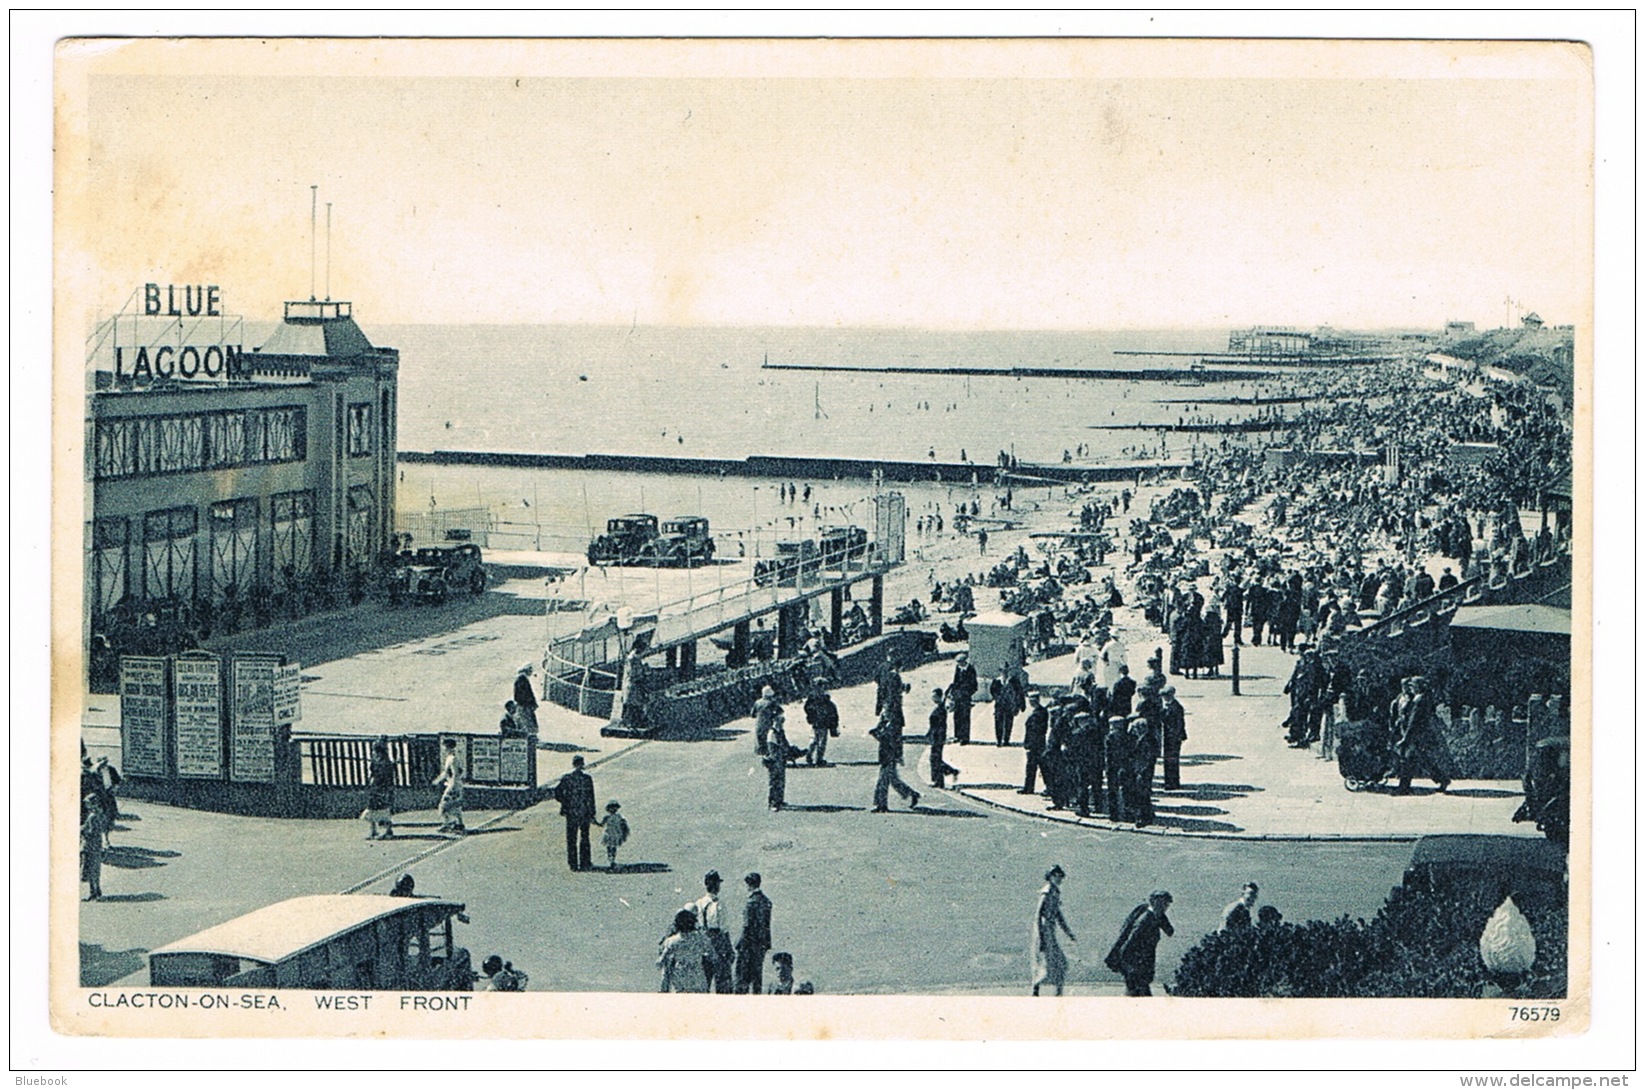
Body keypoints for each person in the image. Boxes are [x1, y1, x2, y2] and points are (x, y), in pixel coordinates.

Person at [1105, 890, 1175, 996]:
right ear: (1156, 903)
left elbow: (1170, 931)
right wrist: (1128, 966)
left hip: (1142, 967)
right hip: (1136, 967)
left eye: (1167, 904)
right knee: (1140, 998)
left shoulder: (1155, 915)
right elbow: (1129, 943)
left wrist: (1161, 917)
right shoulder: (1145, 920)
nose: (1166, 907)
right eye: (1164, 904)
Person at [1392, 675, 1452, 795]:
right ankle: (1442, 779)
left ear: (1419, 686)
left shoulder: (1419, 700)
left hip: (1416, 735)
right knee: (1423, 759)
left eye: (1413, 686)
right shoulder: (1422, 698)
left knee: (1408, 760)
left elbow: (1413, 721)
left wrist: (1406, 738)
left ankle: (1404, 787)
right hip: (1420, 735)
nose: (1411, 688)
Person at [1030, 865, 1077, 996]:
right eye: (1056, 876)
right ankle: (1037, 988)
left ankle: (1055, 992)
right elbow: (1038, 915)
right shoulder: (1046, 892)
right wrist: (1041, 938)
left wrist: (1068, 932)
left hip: (1050, 932)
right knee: (1053, 965)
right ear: (1050, 877)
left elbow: (1058, 915)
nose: (1059, 879)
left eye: (1060, 876)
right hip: (1045, 932)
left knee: (1060, 964)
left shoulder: (1055, 892)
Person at [871, 705, 921, 812]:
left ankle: (881, 805)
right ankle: (912, 794)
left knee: (882, 781)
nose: (883, 715)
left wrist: (898, 756)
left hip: (890, 757)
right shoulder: (884, 725)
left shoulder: (893, 727)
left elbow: (891, 741)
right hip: (885, 756)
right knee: (893, 780)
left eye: (885, 713)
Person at [694, 871, 736, 993]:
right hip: (718, 943)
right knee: (722, 981)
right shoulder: (719, 905)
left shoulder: (699, 903)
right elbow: (724, 929)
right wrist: (729, 949)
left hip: (703, 942)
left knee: (704, 981)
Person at [556, 754, 597, 871]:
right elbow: (591, 797)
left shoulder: (567, 778)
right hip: (584, 812)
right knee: (584, 837)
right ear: (582, 764)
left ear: (573, 764)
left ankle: (573, 864)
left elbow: (557, 793)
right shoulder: (587, 779)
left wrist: (565, 803)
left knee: (571, 838)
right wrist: (592, 813)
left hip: (571, 812)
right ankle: (585, 862)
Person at [658, 909, 714, 993]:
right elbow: (713, 955)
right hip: (697, 977)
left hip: (680, 979)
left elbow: (660, 962)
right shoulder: (701, 939)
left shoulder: (671, 941)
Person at [735, 873, 772, 994]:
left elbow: (747, 926)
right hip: (762, 943)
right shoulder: (766, 901)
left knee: (743, 975)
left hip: (749, 944)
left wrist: (740, 943)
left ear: (749, 885)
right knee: (757, 975)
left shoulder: (750, 902)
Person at [927, 688, 961, 789]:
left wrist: (939, 737)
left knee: (935, 759)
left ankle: (940, 780)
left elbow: (941, 725)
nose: (932, 698)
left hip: (938, 737)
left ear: (939, 696)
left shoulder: (941, 709)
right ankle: (947, 774)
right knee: (935, 759)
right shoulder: (939, 707)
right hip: (934, 736)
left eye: (934, 696)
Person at [364, 736, 396, 840]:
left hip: (382, 787)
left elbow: (388, 777)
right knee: (372, 808)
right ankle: (373, 831)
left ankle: (388, 831)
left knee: (383, 809)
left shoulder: (385, 763)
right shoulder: (377, 761)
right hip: (375, 786)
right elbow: (372, 773)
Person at [432, 738, 466, 836]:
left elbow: (455, 773)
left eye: (445, 747)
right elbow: (446, 772)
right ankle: (459, 824)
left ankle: (448, 824)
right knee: (455, 806)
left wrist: (452, 785)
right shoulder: (452, 758)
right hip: (456, 784)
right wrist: (437, 780)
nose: (444, 749)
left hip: (453, 785)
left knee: (443, 806)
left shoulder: (453, 759)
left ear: (448, 747)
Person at [802, 681, 840, 767]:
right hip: (821, 722)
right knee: (820, 742)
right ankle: (818, 759)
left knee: (815, 741)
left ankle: (810, 756)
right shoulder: (823, 700)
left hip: (818, 722)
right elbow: (832, 711)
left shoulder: (813, 699)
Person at [1020, 690, 1049, 795]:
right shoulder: (1038, 711)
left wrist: (1029, 743)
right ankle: (1028, 787)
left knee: (1040, 767)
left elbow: (1036, 730)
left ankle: (1047, 788)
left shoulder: (1039, 713)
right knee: (1033, 767)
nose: (1030, 702)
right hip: (1036, 743)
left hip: (1036, 743)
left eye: (1032, 700)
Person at [762, 703, 790, 812]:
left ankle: (779, 800)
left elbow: (785, 745)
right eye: (779, 720)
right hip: (775, 761)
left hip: (780, 760)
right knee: (774, 782)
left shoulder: (780, 732)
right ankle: (773, 802)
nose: (782, 722)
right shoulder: (772, 734)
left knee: (781, 781)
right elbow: (773, 749)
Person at [1158, 686, 1187, 791]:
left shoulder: (1176, 707)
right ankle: (1170, 781)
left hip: (1173, 737)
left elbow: (1179, 723)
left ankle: (1172, 783)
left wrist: (1177, 736)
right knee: (1168, 759)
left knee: (1172, 759)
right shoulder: (1168, 706)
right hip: (1169, 736)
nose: (1164, 698)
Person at [948, 651, 978, 745]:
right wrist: (953, 692)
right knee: (957, 716)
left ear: (964, 661)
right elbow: (955, 681)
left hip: (965, 697)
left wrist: (967, 693)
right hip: (957, 696)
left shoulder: (970, 669)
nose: (959, 664)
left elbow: (974, 685)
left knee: (965, 717)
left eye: (961, 662)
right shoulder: (958, 669)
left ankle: (965, 738)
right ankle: (957, 735)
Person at [80, 794, 106, 901]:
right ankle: (97, 891)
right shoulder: (100, 814)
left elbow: (91, 831)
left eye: (88, 803)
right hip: (97, 845)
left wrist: (82, 831)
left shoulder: (92, 816)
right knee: (95, 870)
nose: (86, 805)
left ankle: (93, 893)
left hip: (90, 846)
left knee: (90, 870)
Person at [596, 800, 630, 870]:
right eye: (611, 808)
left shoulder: (619, 817)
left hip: (615, 834)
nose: (613, 810)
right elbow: (601, 824)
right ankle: (610, 860)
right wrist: (594, 822)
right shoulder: (607, 817)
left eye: (614, 808)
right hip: (609, 834)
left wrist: (624, 833)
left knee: (613, 847)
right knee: (609, 847)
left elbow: (624, 825)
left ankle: (612, 860)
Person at [990, 670, 1020, 747]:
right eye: (1003, 672)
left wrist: (1019, 705)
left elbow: (1019, 693)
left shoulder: (1013, 681)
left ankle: (1006, 739)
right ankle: (999, 740)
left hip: (1010, 705)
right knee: (998, 722)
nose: (1005, 674)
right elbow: (992, 691)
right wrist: (997, 698)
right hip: (999, 705)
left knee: (1008, 722)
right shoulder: (996, 681)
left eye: (1006, 672)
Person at [753, 685, 783, 756]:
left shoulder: (757, 702)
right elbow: (780, 711)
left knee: (760, 742)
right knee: (770, 741)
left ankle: (763, 756)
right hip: (768, 724)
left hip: (759, 724)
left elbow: (753, 714)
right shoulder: (771, 703)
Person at [513, 664, 540, 738]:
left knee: (526, 721)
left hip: (524, 705)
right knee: (526, 721)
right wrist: (530, 702)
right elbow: (525, 694)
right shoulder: (522, 679)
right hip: (525, 705)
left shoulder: (522, 679)